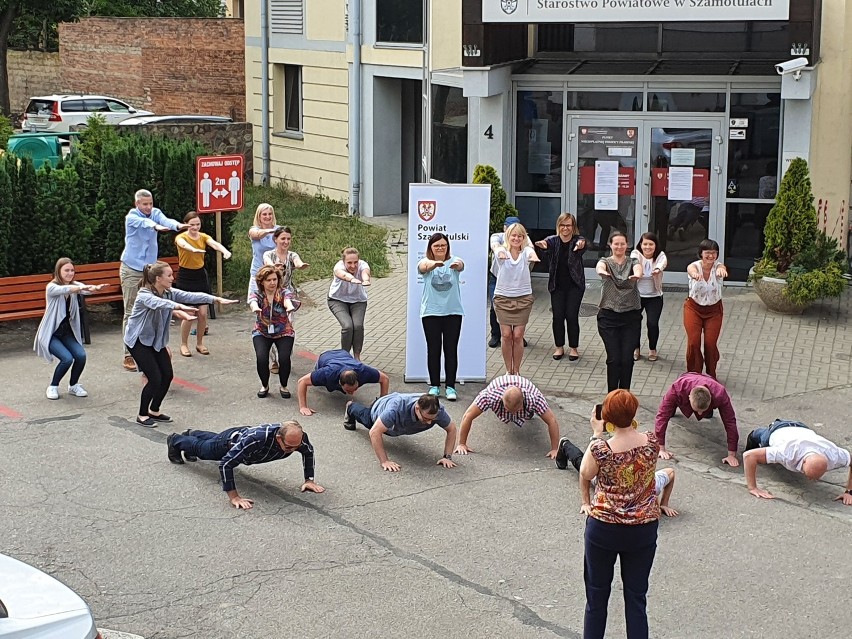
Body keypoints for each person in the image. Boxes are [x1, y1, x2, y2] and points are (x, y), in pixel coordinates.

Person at [579, 390, 660, 639]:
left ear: (608, 417)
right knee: (636, 598)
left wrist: (596, 433)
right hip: (643, 527)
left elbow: (585, 472)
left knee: (597, 595)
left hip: (604, 527)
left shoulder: (602, 449)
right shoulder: (652, 442)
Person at [125, 261, 237, 427]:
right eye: (169, 275)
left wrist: (216, 299)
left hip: (156, 341)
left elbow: (191, 296)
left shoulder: (168, 292)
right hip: (138, 341)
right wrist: (179, 307)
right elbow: (160, 304)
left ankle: (154, 410)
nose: (172, 278)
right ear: (158, 278)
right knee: (154, 378)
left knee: (167, 375)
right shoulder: (144, 295)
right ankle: (142, 415)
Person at [166, 420, 325, 509]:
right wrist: (234, 497)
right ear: (278, 438)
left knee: (211, 440)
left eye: (296, 446)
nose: (294, 449)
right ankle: (175, 440)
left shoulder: (297, 438)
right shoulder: (256, 439)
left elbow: (308, 452)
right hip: (229, 443)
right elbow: (226, 464)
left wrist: (309, 479)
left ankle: (191, 434)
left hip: (239, 438)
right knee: (203, 450)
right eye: (289, 447)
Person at [120, 189, 188, 371]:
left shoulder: (155, 213)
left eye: (150, 203)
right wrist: (156, 227)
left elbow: (165, 221)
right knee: (131, 310)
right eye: (144, 204)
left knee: (154, 307)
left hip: (149, 271)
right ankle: (129, 353)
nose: (148, 207)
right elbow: (146, 223)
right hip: (132, 269)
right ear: (137, 204)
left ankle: (152, 347)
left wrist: (178, 226)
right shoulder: (132, 217)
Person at [34, 258, 107, 400]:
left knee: (81, 356)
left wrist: (95, 288)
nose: (70, 273)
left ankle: (73, 385)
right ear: (58, 271)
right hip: (52, 333)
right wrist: (82, 288)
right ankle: (53, 386)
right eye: (66, 270)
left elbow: (85, 289)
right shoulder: (52, 287)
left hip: (66, 332)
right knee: (66, 359)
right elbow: (68, 289)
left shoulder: (75, 285)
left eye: (72, 270)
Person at [557, 437, 679, 517]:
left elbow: (671, 473)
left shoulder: (654, 485)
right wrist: (585, 503)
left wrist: (664, 504)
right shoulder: (610, 480)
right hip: (605, 477)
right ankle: (565, 445)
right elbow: (584, 474)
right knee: (582, 463)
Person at [743, 419, 852, 505]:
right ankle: (755, 434)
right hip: (778, 429)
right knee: (759, 439)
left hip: (802, 428)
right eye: (808, 475)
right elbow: (749, 456)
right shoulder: (787, 452)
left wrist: (849, 491)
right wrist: (753, 488)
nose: (811, 479)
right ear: (804, 461)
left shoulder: (833, 455)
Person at [343, 393, 458, 472]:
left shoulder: (438, 410)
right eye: (426, 418)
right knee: (367, 420)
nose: (429, 423)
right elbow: (374, 432)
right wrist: (384, 461)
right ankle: (350, 406)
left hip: (396, 415)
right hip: (379, 409)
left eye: (433, 419)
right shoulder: (396, 409)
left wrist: (447, 457)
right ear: (417, 408)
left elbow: (452, 429)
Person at [454, 374, 560, 459]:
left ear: (522, 403)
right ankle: (513, 409)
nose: (512, 413)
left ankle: (528, 413)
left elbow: (552, 420)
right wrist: (462, 443)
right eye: (508, 409)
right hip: (501, 389)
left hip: (526, 399)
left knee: (534, 413)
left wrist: (555, 448)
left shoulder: (534, 397)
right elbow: (468, 415)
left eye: (515, 410)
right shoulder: (490, 394)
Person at [174, 211, 232, 357]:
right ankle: (184, 344)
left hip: (200, 276)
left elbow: (214, 243)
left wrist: (224, 251)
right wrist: (192, 249)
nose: (195, 227)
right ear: (186, 224)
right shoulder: (181, 237)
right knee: (188, 313)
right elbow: (183, 244)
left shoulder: (204, 236)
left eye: (197, 224)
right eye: (192, 224)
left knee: (202, 314)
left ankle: (200, 343)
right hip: (185, 276)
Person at [655, 372, 739, 466]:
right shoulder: (677, 388)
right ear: (689, 398)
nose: (699, 414)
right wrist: (660, 448)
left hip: (709, 381)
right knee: (668, 410)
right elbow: (661, 417)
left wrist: (732, 454)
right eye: (697, 410)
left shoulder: (720, 393)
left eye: (702, 411)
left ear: (711, 398)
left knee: (708, 414)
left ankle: (707, 410)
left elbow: (730, 422)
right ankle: (674, 408)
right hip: (686, 382)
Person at [418, 233, 465, 400]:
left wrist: (457, 265)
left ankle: (451, 386)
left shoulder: (454, 260)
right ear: (431, 247)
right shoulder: (424, 261)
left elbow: (460, 265)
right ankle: (435, 385)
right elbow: (423, 267)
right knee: (434, 349)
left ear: (448, 247)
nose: (440, 248)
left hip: (453, 312)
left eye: (443, 245)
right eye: (436, 246)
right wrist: (434, 264)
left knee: (451, 350)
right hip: (431, 313)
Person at [534, 213, 587, 361]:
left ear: (573, 227)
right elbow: (545, 249)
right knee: (558, 316)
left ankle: (574, 348)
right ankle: (559, 347)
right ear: (558, 226)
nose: (565, 228)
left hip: (575, 285)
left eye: (568, 225)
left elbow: (582, 243)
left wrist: (580, 245)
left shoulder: (578, 240)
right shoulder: (552, 240)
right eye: (562, 225)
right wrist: (543, 248)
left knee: (571, 315)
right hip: (557, 285)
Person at [596, 231, 643, 392]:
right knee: (614, 358)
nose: (619, 247)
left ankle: (625, 394)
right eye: (616, 243)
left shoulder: (633, 261)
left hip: (630, 317)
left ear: (627, 245)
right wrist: (602, 272)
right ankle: (612, 395)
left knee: (627, 359)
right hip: (608, 317)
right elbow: (599, 267)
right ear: (610, 245)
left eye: (622, 244)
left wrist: (637, 275)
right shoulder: (605, 262)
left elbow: (638, 269)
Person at [492, 222, 539, 376]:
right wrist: (500, 252)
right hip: (503, 298)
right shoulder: (502, 251)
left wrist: (534, 256)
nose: (516, 238)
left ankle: (516, 370)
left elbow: (531, 253)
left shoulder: (526, 251)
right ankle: (508, 370)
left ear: (524, 238)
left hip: (523, 298)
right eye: (514, 235)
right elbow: (496, 247)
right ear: (508, 236)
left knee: (518, 336)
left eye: (520, 236)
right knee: (506, 335)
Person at [249, 265, 300, 400]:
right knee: (261, 357)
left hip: (284, 331)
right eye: (268, 280)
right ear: (262, 282)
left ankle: (284, 386)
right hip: (262, 331)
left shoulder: (284, 292)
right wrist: (255, 308)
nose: (272, 283)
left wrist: (289, 307)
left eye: (274, 279)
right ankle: (264, 385)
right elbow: (252, 302)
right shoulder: (258, 294)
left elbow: (288, 301)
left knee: (284, 358)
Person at [296, 349, 390, 416]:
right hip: (326, 357)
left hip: (344, 354)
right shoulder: (327, 373)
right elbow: (302, 381)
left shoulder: (363, 371)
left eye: (355, 389)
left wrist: (382, 402)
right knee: (316, 377)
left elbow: (385, 379)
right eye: (349, 391)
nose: (352, 393)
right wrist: (303, 407)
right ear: (340, 383)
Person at [684, 239, 728, 378]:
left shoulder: (718, 266)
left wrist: (722, 270)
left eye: (714, 253)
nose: (711, 256)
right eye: (708, 253)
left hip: (714, 311)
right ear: (701, 253)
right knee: (694, 342)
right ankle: (694, 374)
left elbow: (722, 268)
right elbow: (691, 270)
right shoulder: (694, 266)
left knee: (710, 344)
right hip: (693, 308)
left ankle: (711, 374)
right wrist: (695, 275)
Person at [488, 215, 531, 349]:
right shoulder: (497, 236)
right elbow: (495, 245)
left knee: (518, 308)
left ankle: (518, 336)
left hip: (516, 281)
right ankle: (496, 334)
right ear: (505, 228)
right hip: (496, 278)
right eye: (509, 228)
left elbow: (529, 246)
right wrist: (500, 250)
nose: (514, 234)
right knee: (495, 307)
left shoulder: (523, 237)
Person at [248, 203, 280, 373]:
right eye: (264, 214)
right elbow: (257, 234)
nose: (267, 217)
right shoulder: (254, 230)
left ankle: (278, 355)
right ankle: (268, 354)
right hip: (258, 277)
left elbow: (285, 243)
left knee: (277, 314)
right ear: (259, 216)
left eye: (269, 214)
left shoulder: (279, 230)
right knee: (262, 315)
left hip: (274, 279)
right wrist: (271, 231)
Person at [328, 247, 371, 360]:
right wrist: (351, 279)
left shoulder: (363, 265)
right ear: (344, 261)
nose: (353, 266)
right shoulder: (338, 267)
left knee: (357, 326)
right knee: (347, 326)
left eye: (355, 262)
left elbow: (365, 273)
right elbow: (342, 274)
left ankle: (357, 356)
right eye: (349, 263)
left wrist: (366, 280)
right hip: (337, 300)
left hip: (358, 301)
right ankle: (345, 356)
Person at [631, 232, 667, 362]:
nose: (647, 247)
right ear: (641, 244)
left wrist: (657, 269)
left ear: (655, 245)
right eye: (645, 244)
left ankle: (652, 349)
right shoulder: (636, 254)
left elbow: (663, 263)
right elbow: (635, 262)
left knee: (652, 323)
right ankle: (635, 348)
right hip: (637, 296)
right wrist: (638, 272)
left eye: (651, 244)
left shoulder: (660, 256)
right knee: (634, 323)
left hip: (655, 296)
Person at [262, 226, 309, 295]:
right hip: (272, 293)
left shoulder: (292, 255)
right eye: (283, 239)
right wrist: (273, 266)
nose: (286, 242)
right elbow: (267, 262)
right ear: (275, 239)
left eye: (288, 239)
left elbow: (297, 261)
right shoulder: (268, 254)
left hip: (289, 293)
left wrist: (301, 265)